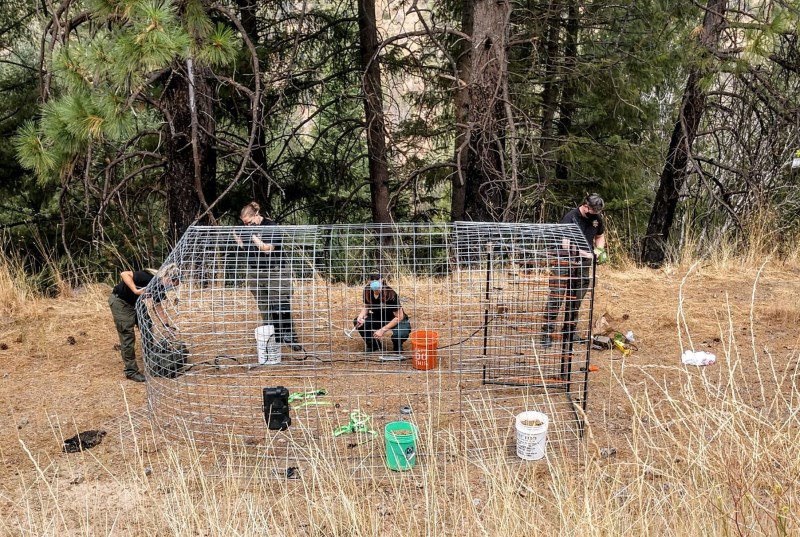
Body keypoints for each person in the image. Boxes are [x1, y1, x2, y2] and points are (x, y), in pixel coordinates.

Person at [542, 193, 607, 349]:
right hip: (563, 261)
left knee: (576, 297)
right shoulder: (570, 218)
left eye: (597, 213)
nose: (595, 216)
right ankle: (546, 333)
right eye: (593, 212)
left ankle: (569, 331)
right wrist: (586, 253)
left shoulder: (597, 218)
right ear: (586, 206)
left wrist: (599, 250)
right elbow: (565, 244)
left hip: (583, 264)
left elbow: (600, 235)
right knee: (556, 297)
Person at [234, 201, 301, 351]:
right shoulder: (246, 229)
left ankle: (289, 335)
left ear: (256, 215)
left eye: (249, 222)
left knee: (280, 303)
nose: (247, 226)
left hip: (275, 271)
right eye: (244, 223)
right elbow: (242, 247)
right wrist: (237, 234)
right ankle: (272, 335)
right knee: (264, 306)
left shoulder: (270, 226)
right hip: (255, 272)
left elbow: (267, 249)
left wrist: (253, 236)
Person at [108, 264, 180, 382]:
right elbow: (124, 274)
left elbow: (158, 307)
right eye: (172, 285)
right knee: (127, 335)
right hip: (121, 302)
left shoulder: (160, 287)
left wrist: (166, 326)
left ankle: (151, 358)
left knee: (147, 325)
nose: (171, 288)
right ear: (168, 278)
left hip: (136, 303)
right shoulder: (148, 277)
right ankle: (131, 371)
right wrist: (136, 291)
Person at [353, 274, 412, 354]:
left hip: (395, 318)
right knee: (358, 321)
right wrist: (361, 316)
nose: (374, 281)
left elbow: (399, 317)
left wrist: (382, 330)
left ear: (382, 280)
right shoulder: (367, 290)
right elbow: (366, 307)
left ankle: (397, 345)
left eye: (377, 279)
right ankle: (373, 345)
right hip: (378, 317)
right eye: (372, 279)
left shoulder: (390, 294)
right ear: (369, 281)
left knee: (401, 333)